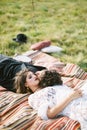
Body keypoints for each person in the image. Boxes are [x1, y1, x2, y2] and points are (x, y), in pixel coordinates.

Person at [15, 69, 87, 130]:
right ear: (26, 85)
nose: (34, 76)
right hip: (75, 106)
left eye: (34, 74)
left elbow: (67, 86)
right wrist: (70, 97)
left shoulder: (48, 84)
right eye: (30, 77)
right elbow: (50, 114)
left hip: (80, 96)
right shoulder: (34, 97)